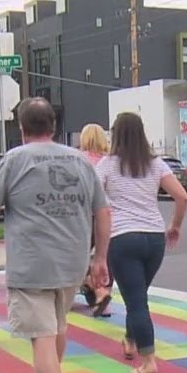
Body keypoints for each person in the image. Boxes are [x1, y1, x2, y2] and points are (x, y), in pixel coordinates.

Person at [0, 97, 110, 373]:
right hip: (72, 259)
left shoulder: (15, 159)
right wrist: (100, 258)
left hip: (32, 261)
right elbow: (102, 212)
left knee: (43, 336)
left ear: (22, 129)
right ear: (53, 126)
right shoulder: (80, 161)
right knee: (57, 325)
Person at [95, 112, 187, 373]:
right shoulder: (155, 164)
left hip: (123, 237)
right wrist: (175, 226)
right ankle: (130, 340)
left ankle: (148, 362)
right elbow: (181, 196)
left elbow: (93, 199)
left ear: (116, 135)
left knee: (136, 301)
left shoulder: (107, 165)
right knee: (139, 295)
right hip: (154, 237)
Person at [78, 123, 113, 317]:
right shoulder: (109, 161)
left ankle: (95, 289)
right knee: (104, 260)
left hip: (84, 217)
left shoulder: (78, 160)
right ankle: (103, 295)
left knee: (76, 257)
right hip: (108, 218)